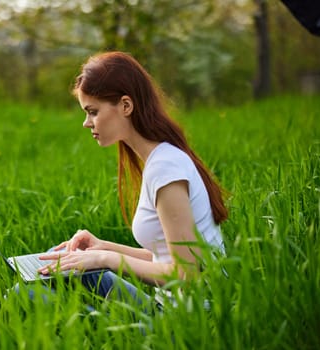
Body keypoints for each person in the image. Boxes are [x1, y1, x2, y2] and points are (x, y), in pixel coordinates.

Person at [36, 51, 228, 307]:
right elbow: (163, 257)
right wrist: (103, 248)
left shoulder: (166, 168)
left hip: (183, 321)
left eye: (93, 111)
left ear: (126, 106)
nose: (86, 123)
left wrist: (106, 259)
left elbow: (186, 274)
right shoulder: (160, 160)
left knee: (33, 293)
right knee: (59, 258)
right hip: (170, 306)